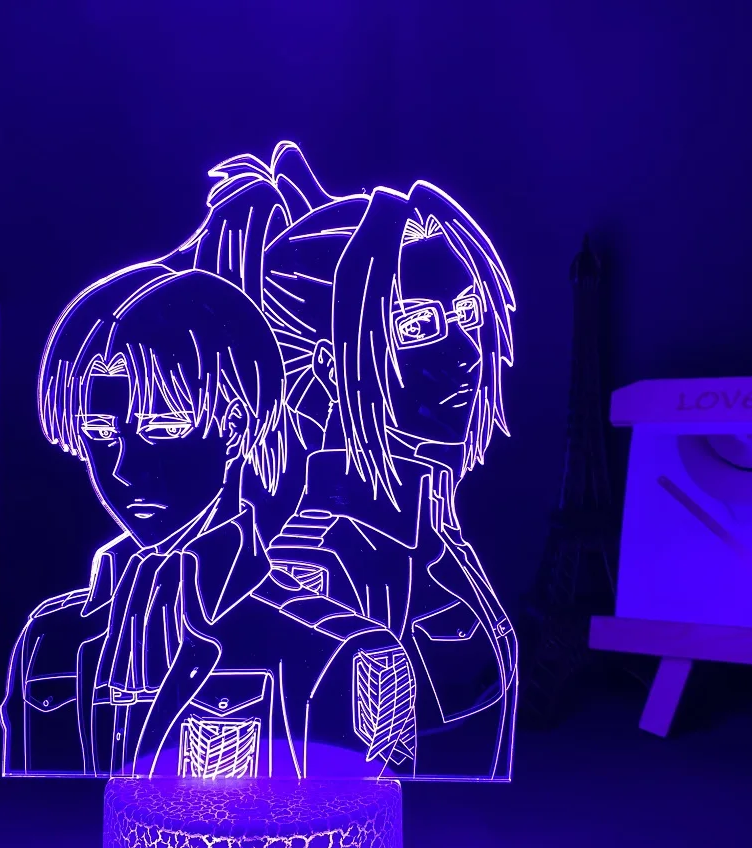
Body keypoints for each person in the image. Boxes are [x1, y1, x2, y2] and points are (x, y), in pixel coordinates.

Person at [172, 145, 519, 779]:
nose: (466, 351)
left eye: (469, 314)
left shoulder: (433, 538)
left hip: (477, 838)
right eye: (416, 327)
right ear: (333, 365)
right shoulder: (314, 566)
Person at [0, 266, 418, 779]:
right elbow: (27, 807)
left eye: (163, 427)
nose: (125, 468)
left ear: (236, 427)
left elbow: (361, 826)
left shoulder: (342, 652)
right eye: (100, 433)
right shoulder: (50, 637)